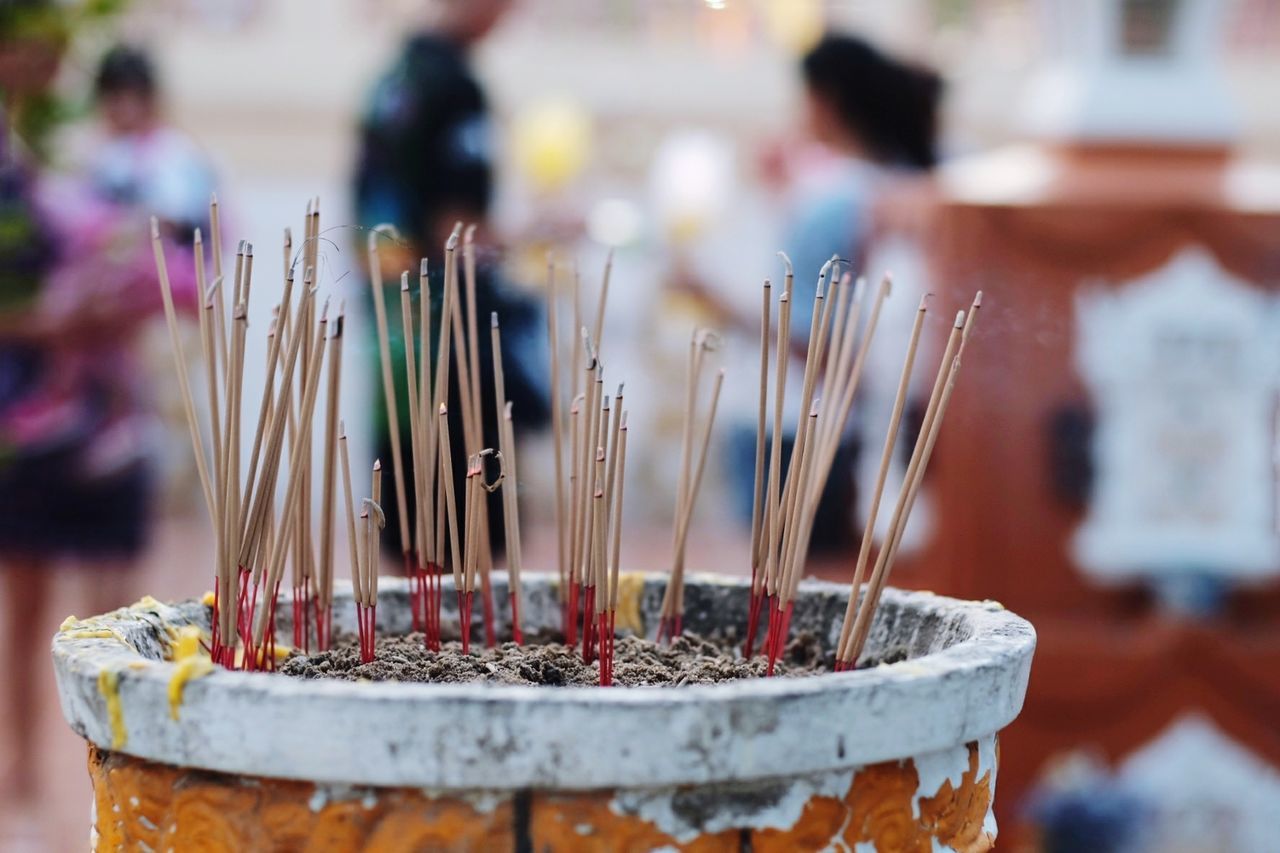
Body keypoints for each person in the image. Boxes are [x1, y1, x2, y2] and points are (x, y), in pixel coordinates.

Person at [0, 39, 198, 823]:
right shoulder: (58, 172)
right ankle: (21, 775)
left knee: (117, 616)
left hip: (110, 423)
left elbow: (194, 277)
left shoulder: (167, 171)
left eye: (134, 94)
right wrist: (54, 319)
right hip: (35, 423)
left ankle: (113, 774)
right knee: (26, 602)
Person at [681, 33, 942, 554]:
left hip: (794, 422)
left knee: (786, 594)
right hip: (846, 421)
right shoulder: (895, 184)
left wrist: (710, 294)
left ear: (825, 101)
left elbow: (808, 337)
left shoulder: (835, 197)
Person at [354, 0, 548, 558]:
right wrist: (540, 228)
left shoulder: (394, 81)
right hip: (452, 342)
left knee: (413, 534)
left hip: (397, 337)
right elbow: (457, 235)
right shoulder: (455, 90)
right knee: (468, 536)